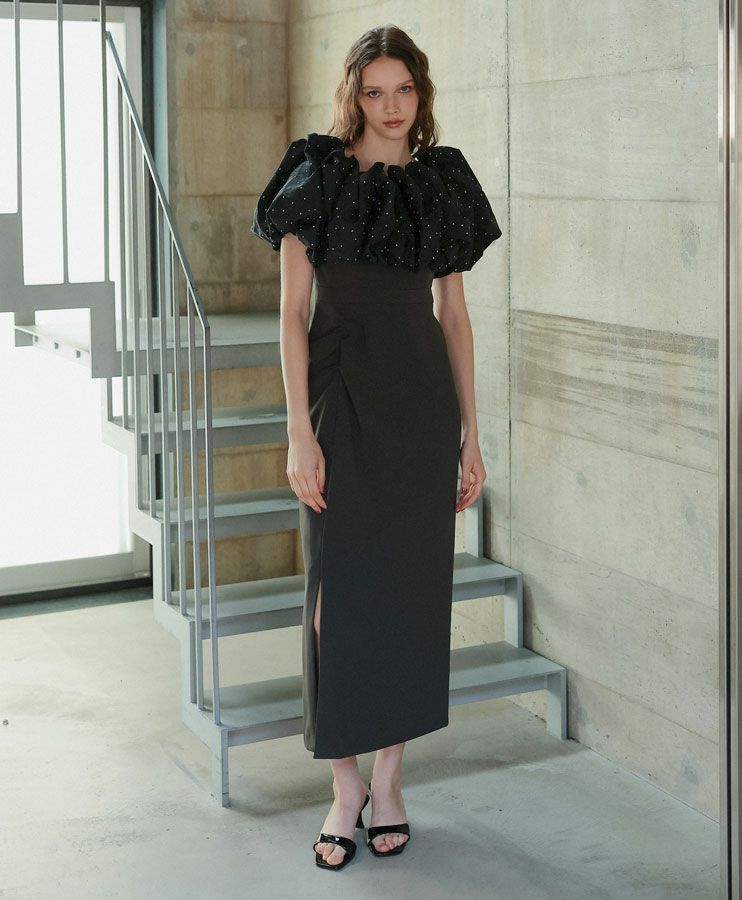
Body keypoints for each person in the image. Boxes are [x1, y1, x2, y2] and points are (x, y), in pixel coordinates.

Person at [251, 24, 502, 871]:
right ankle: (343, 785)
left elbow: (454, 317)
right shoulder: (315, 175)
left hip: (421, 405)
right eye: (374, 91)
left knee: (412, 594)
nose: (391, 106)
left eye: (404, 90)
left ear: (419, 95)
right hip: (339, 398)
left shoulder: (442, 182)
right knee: (334, 598)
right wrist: (298, 429)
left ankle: (389, 782)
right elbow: (292, 314)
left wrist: (471, 431)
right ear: (353, 96)